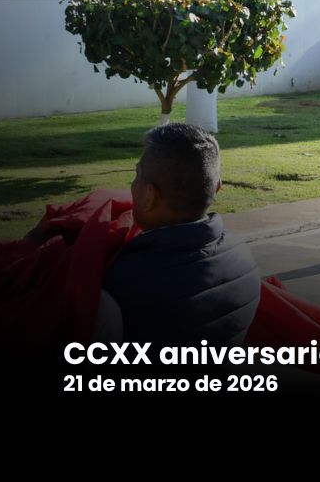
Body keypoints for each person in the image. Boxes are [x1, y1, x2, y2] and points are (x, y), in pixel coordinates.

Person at [103, 123, 260, 344]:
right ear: (217, 188)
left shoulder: (123, 281)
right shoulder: (243, 256)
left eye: (137, 175)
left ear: (149, 196)